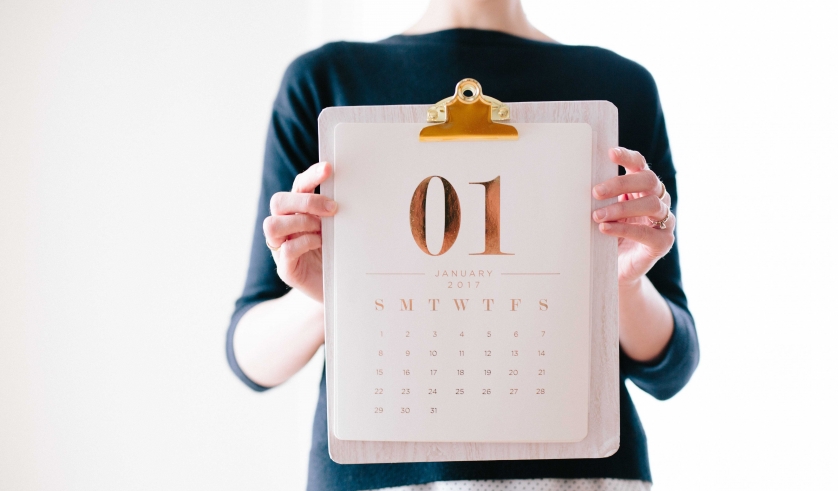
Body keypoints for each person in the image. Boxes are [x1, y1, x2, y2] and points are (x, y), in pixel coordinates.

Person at [226, 0, 699, 489]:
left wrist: (621, 282)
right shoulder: (324, 83)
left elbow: (671, 367)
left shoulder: (620, 87)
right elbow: (251, 358)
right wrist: (335, 294)